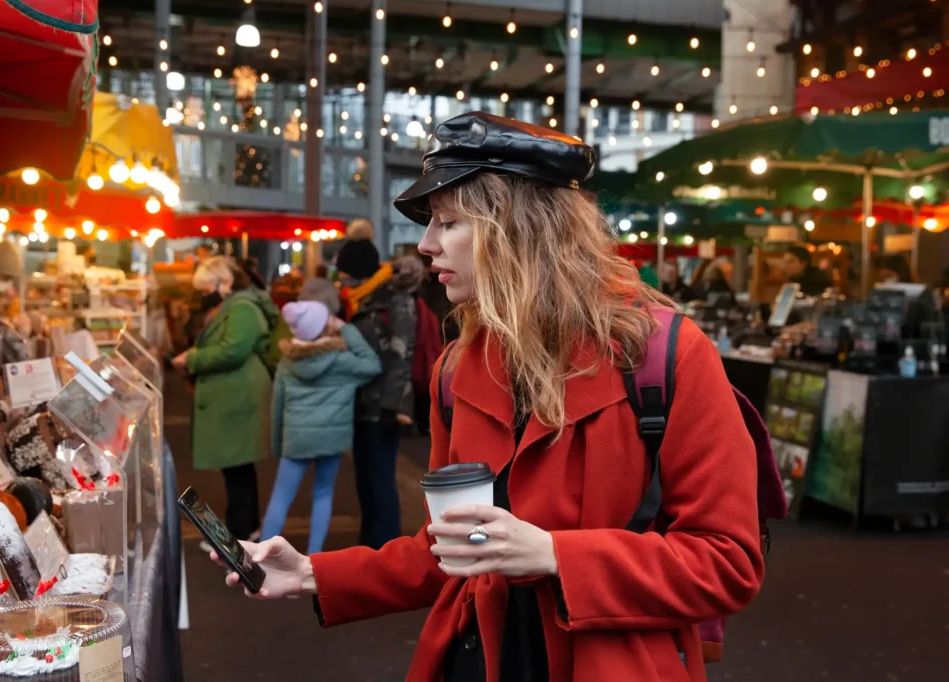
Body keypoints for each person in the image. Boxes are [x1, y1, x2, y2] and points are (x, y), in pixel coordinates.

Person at [214, 113, 765, 681]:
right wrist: (309, 572)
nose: (425, 244)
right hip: (476, 655)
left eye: (448, 223)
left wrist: (554, 554)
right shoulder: (457, 368)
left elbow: (727, 562)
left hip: (609, 662)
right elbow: (447, 549)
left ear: (521, 231)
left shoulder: (666, 356)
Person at [173, 255, 280, 548]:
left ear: (224, 281)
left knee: (237, 467)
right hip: (238, 394)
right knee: (239, 466)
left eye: (207, 285)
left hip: (239, 396)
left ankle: (238, 536)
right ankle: (247, 529)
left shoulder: (242, 307)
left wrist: (192, 358)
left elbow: (233, 350)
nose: (205, 292)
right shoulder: (239, 304)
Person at [259, 301, 382, 554]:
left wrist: (277, 444)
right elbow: (373, 364)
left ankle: (260, 556)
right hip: (331, 439)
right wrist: (347, 329)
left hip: (297, 438)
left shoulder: (286, 363)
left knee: (281, 497)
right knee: (323, 493)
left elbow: (277, 407)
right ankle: (313, 557)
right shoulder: (342, 360)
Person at [334, 221, 424, 549]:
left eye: (343, 271)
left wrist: (390, 405)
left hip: (384, 407)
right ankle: (369, 545)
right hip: (361, 401)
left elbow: (402, 352)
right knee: (365, 480)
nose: (339, 277)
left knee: (380, 479)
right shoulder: (361, 299)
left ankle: (385, 550)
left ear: (357, 272)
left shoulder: (395, 299)